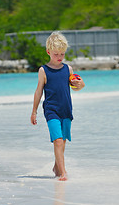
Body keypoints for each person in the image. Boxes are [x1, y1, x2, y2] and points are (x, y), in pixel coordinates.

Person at [30, 31, 85, 181]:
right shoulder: (43, 70)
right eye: (56, 54)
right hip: (51, 110)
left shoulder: (68, 69)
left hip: (66, 109)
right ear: (48, 52)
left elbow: (78, 86)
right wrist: (34, 111)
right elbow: (38, 92)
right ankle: (63, 172)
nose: (59, 57)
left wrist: (80, 84)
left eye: (62, 54)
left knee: (63, 140)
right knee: (58, 140)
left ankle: (56, 167)